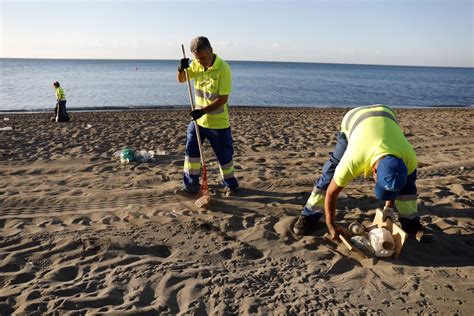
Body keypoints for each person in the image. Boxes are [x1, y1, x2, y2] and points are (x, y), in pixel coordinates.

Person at [293, 104, 423, 240]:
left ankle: (411, 224)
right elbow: (332, 193)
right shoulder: (353, 160)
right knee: (331, 172)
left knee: (407, 186)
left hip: (386, 114)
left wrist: (389, 208)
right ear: (374, 170)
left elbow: (393, 179)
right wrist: (330, 225)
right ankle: (309, 215)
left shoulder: (409, 159)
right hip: (354, 118)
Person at [175, 36, 239, 197]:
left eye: (203, 58)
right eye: (197, 58)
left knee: (224, 156)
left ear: (210, 50)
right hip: (198, 121)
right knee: (192, 154)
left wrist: (203, 111)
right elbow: (182, 80)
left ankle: (231, 185)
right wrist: (181, 69)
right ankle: (191, 186)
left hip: (217, 122)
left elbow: (223, 99)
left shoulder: (223, 68)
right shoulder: (196, 64)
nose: (200, 61)